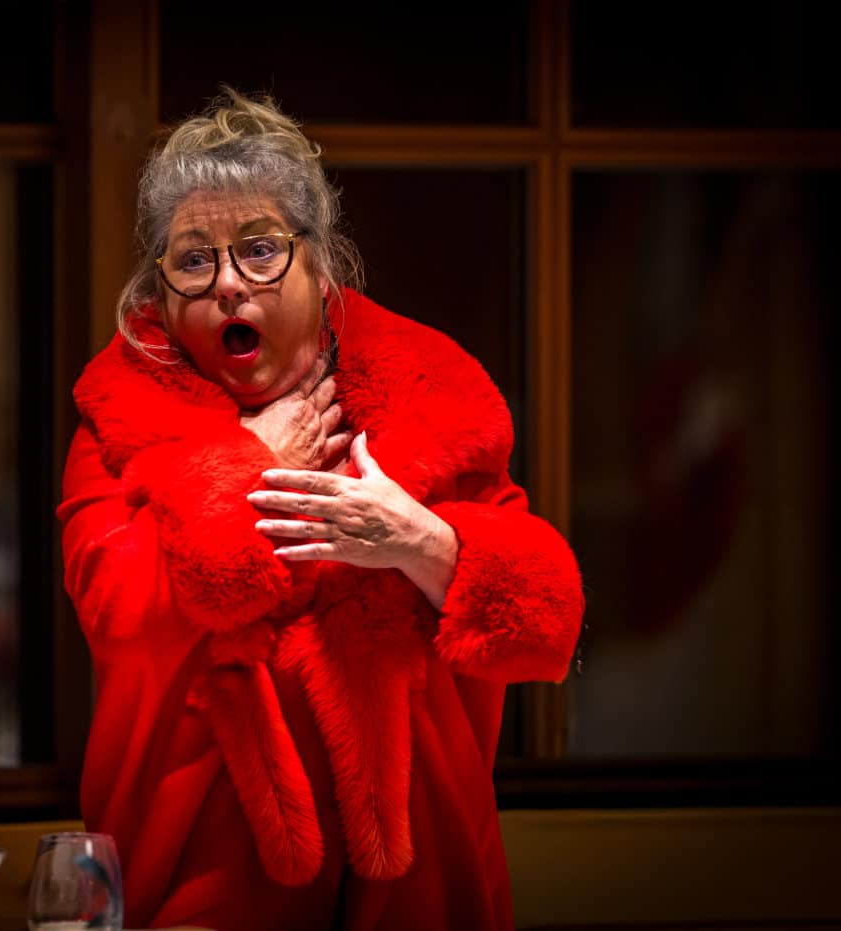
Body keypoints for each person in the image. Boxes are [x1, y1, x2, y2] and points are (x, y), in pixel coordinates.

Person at [57, 88, 585, 931]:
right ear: (159, 287)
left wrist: (421, 540)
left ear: (320, 261)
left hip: (421, 879)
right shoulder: (120, 414)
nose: (229, 284)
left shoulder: (430, 388)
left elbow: (545, 621)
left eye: (260, 249)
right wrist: (250, 468)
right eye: (194, 260)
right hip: (196, 877)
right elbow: (117, 612)